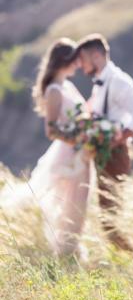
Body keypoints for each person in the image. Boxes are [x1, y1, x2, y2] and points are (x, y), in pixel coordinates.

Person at [0, 38, 91, 259]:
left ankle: (70, 249)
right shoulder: (53, 91)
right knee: (69, 200)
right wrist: (77, 139)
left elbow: (83, 115)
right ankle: (66, 250)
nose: (79, 65)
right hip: (69, 152)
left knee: (80, 199)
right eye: (75, 60)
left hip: (81, 150)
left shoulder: (67, 86)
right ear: (64, 61)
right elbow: (51, 131)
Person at [76, 33, 133, 252]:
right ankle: (127, 259)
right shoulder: (100, 83)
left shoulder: (119, 81)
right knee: (107, 215)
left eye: (84, 60)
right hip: (102, 156)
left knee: (110, 219)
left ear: (97, 56)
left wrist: (118, 138)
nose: (81, 66)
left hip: (115, 156)